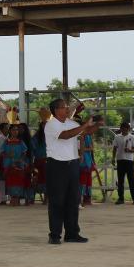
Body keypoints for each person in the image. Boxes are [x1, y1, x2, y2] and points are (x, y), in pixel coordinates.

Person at [42, 99, 92, 244]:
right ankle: (55, 235)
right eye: (65, 107)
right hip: (57, 165)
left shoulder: (71, 123)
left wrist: (95, 124)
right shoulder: (51, 125)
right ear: (56, 110)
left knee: (73, 200)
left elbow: (85, 132)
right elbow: (66, 135)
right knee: (57, 201)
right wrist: (84, 125)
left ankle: (72, 233)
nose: (68, 109)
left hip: (72, 165)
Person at [0, 123, 30, 207]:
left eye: (16, 130)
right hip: (9, 164)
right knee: (10, 181)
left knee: (18, 181)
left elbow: (24, 152)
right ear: (10, 131)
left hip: (19, 164)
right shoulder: (6, 142)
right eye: (13, 130)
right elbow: (1, 152)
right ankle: (12, 198)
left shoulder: (20, 142)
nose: (15, 131)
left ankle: (17, 198)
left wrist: (20, 160)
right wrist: (8, 155)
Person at [111, 121, 134, 204]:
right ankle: (121, 198)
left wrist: (130, 150)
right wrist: (113, 158)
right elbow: (114, 148)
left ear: (128, 129)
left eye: (126, 128)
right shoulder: (117, 137)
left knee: (131, 180)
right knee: (120, 180)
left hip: (129, 160)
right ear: (120, 129)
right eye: (122, 128)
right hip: (120, 160)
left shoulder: (132, 137)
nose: (124, 130)